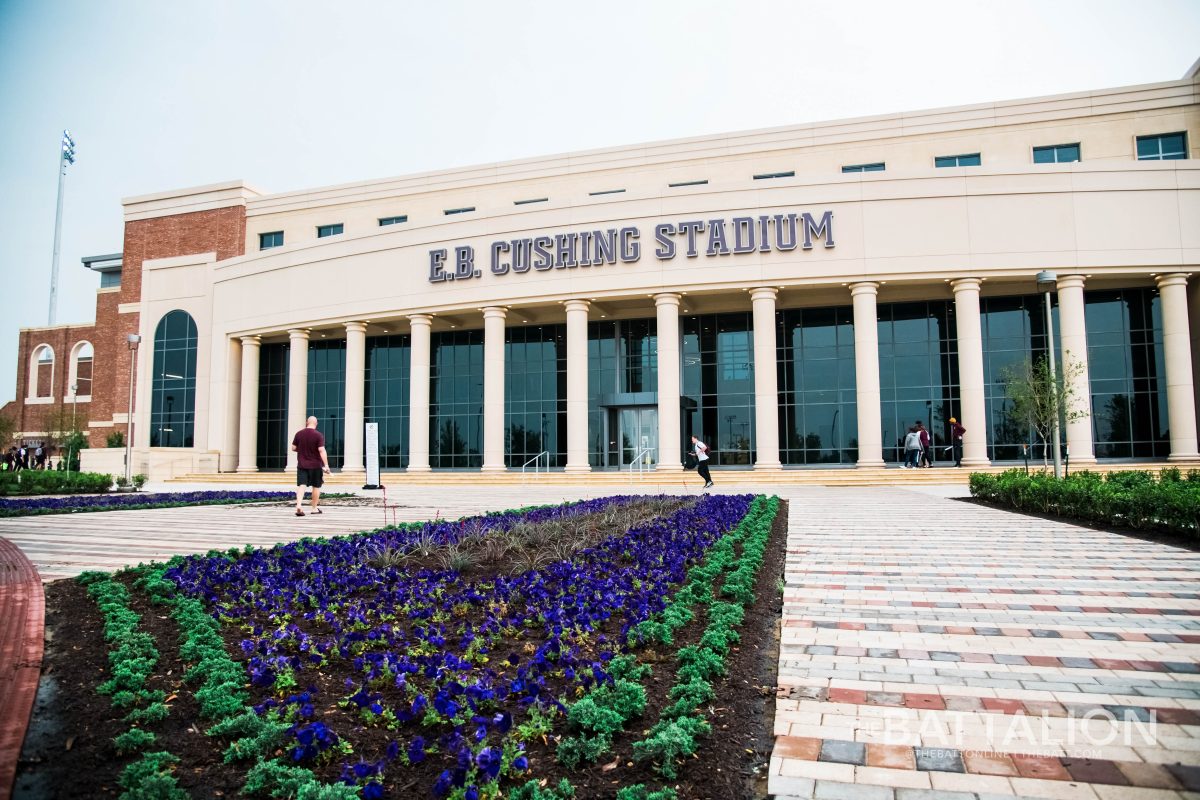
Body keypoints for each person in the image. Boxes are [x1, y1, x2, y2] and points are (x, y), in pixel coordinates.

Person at [291, 416, 330, 516]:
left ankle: (299, 505)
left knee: (301, 485)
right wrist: (326, 465)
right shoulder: (318, 435)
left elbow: (293, 448)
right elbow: (321, 450)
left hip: (302, 464)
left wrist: (303, 450)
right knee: (316, 486)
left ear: (306, 422)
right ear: (316, 424)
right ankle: (314, 508)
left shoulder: (299, 434)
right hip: (316, 465)